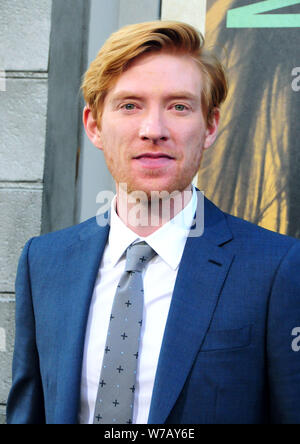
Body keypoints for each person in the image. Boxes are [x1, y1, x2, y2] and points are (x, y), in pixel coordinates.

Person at [6, 21, 300, 424]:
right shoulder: (45, 262)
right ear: (94, 125)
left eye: (178, 106)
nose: (154, 130)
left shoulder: (276, 267)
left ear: (210, 126)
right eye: (130, 105)